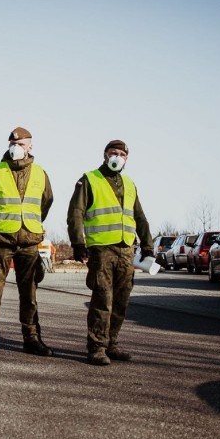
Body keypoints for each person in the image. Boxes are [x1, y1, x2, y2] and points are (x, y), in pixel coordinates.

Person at [66, 139, 154, 366]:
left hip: (126, 250)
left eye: (122, 154)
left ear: (126, 159)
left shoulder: (130, 183)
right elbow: (76, 212)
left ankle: (111, 343)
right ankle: (96, 347)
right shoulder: (89, 180)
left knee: (121, 301)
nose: (117, 157)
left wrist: (147, 246)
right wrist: (78, 243)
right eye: (113, 153)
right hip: (101, 251)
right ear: (105, 154)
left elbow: (140, 217)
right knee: (102, 299)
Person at [0, 126, 54, 360]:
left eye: (21, 144)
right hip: (0, 243)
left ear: (30, 146)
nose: (16, 147)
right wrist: (0, 226)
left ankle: (32, 339)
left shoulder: (40, 173)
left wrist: (29, 226)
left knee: (29, 294)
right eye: (13, 143)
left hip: (29, 242)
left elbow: (45, 204)